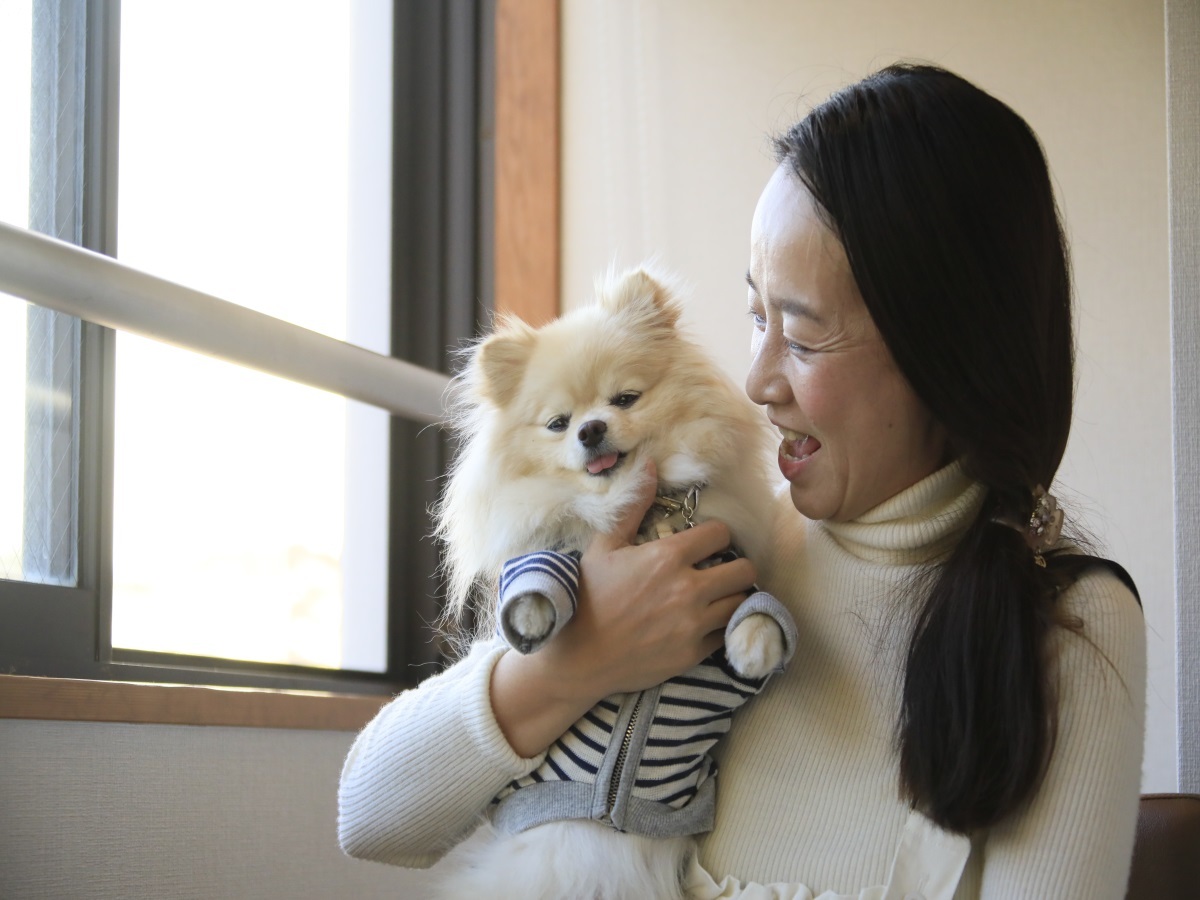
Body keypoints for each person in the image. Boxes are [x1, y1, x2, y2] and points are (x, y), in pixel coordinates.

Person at [337, 63, 1145, 899]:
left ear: (947, 352)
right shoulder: (717, 551)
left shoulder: (1070, 623)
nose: (757, 380)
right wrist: (573, 664)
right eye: (757, 315)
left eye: (802, 336)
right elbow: (370, 815)